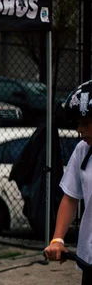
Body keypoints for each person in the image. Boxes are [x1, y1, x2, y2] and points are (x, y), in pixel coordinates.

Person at [44, 80, 92, 265]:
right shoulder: (83, 150)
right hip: (88, 258)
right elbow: (70, 197)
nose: (80, 130)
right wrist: (58, 239)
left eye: (86, 123)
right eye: (78, 124)